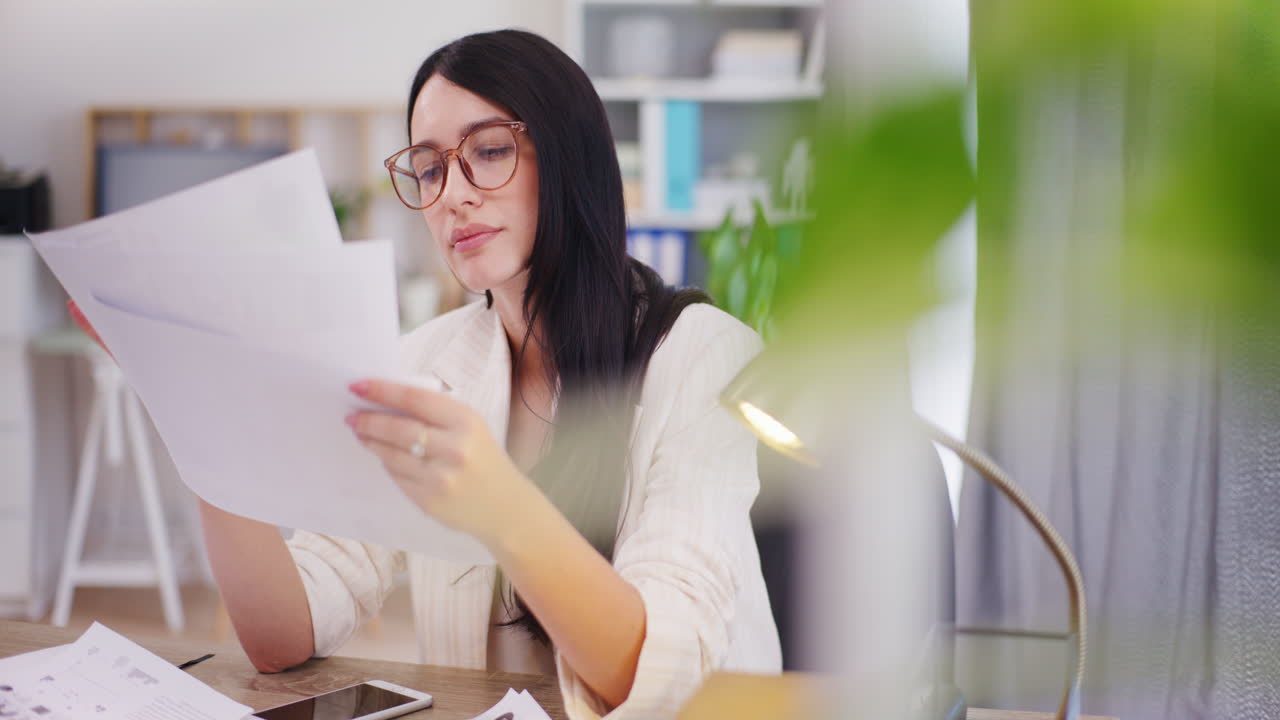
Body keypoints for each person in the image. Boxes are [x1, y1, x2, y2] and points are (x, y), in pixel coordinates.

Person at [73, 29, 780, 720]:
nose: (451, 196)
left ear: (570, 155)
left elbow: (662, 671)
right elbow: (283, 636)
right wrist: (195, 410)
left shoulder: (703, 356)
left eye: (490, 151)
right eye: (431, 168)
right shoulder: (423, 364)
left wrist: (501, 505)